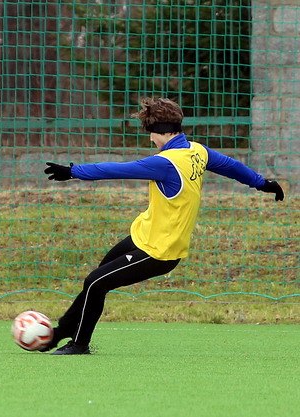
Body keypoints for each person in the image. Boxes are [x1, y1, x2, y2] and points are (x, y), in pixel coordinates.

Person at [43, 97, 284, 355]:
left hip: (160, 251)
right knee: (97, 280)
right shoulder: (197, 151)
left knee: (95, 282)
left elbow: (115, 169)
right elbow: (232, 166)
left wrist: (73, 171)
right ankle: (62, 331)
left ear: (163, 132)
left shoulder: (165, 163)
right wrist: (262, 183)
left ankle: (79, 344)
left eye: (151, 133)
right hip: (143, 235)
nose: (150, 139)